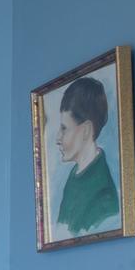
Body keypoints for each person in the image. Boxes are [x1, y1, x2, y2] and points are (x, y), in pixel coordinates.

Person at [52, 75, 118, 236]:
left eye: (64, 128)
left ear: (86, 130)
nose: (57, 138)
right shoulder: (74, 177)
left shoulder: (104, 195)